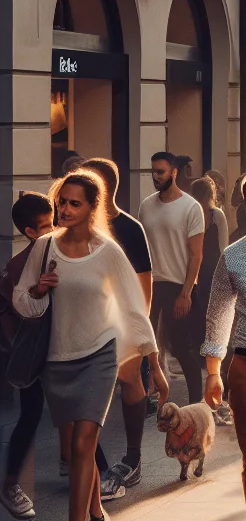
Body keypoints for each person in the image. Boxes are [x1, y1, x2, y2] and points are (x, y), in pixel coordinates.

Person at [15, 171, 168, 521]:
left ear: (91, 207)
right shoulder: (44, 247)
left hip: (99, 356)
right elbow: (21, 300)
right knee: (73, 450)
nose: (64, 209)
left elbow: (133, 309)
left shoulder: (108, 251)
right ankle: (98, 516)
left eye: (73, 203)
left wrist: (154, 365)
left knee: (85, 443)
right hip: (56, 359)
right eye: (61, 202)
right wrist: (38, 290)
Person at [78, 158, 154, 500]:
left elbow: (144, 286)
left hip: (122, 324)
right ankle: (88, 460)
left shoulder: (130, 228)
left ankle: (133, 459)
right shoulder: (77, 227)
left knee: (129, 381)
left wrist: (139, 334)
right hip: (85, 322)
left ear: (103, 188)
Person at [0, 193, 56, 521]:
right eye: (46, 226)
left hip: (63, 348)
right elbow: (10, 313)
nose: (54, 229)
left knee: (77, 412)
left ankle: (95, 470)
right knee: (31, 414)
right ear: (30, 232)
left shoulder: (64, 251)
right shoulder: (17, 267)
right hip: (32, 353)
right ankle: (10, 485)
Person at [139, 152, 206, 404]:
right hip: (150, 285)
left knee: (180, 348)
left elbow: (196, 255)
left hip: (178, 286)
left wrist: (186, 293)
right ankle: (146, 399)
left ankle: (196, 404)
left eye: (161, 172)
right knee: (145, 346)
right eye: (153, 172)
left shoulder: (191, 207)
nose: (156, 177)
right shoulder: (146, 206)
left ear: (174, 172)